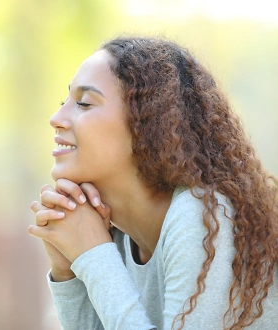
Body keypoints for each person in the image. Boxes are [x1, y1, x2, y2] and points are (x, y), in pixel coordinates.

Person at [28, 37, 278, 330]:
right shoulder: (116, 232)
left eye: (84, 103)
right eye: (64, 102)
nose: (56, 118)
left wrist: (94, 257)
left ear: (145, 125)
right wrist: (68, 271)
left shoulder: (202, 217)